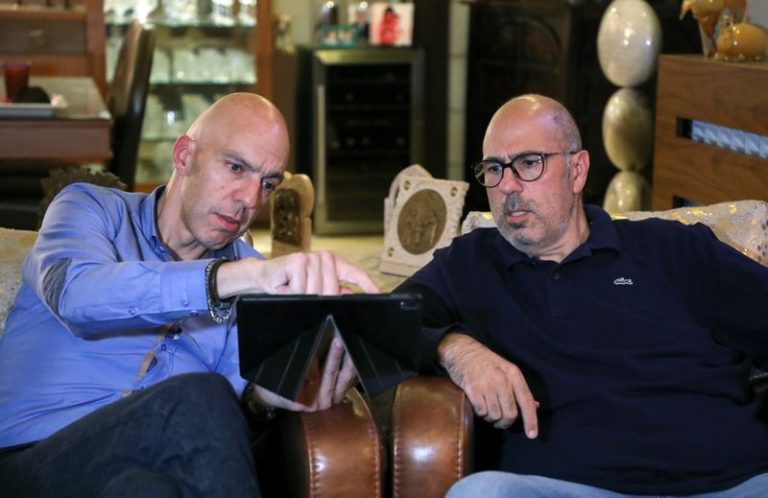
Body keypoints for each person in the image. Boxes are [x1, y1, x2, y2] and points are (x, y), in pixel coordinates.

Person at [0, 92, 379, 497]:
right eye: (235, 167)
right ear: (184, 156)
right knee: (201, 395)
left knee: (149, 489)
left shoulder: (255, 279)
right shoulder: (90, 208)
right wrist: (229, 278)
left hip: (144, 472)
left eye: (267, 184)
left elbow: (239, 412)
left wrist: (272, 393)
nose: (250, 200)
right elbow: (77, 296)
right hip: (32, 461)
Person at [395, 94, 768, 497]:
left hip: (733, 483)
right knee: (480, 492)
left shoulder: (673, 249)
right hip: (564, 488)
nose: (507, 186)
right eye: (494, 168)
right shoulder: (470, 264)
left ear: (577, 170)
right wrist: (456, 350)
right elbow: (378, 324)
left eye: (529, 163)